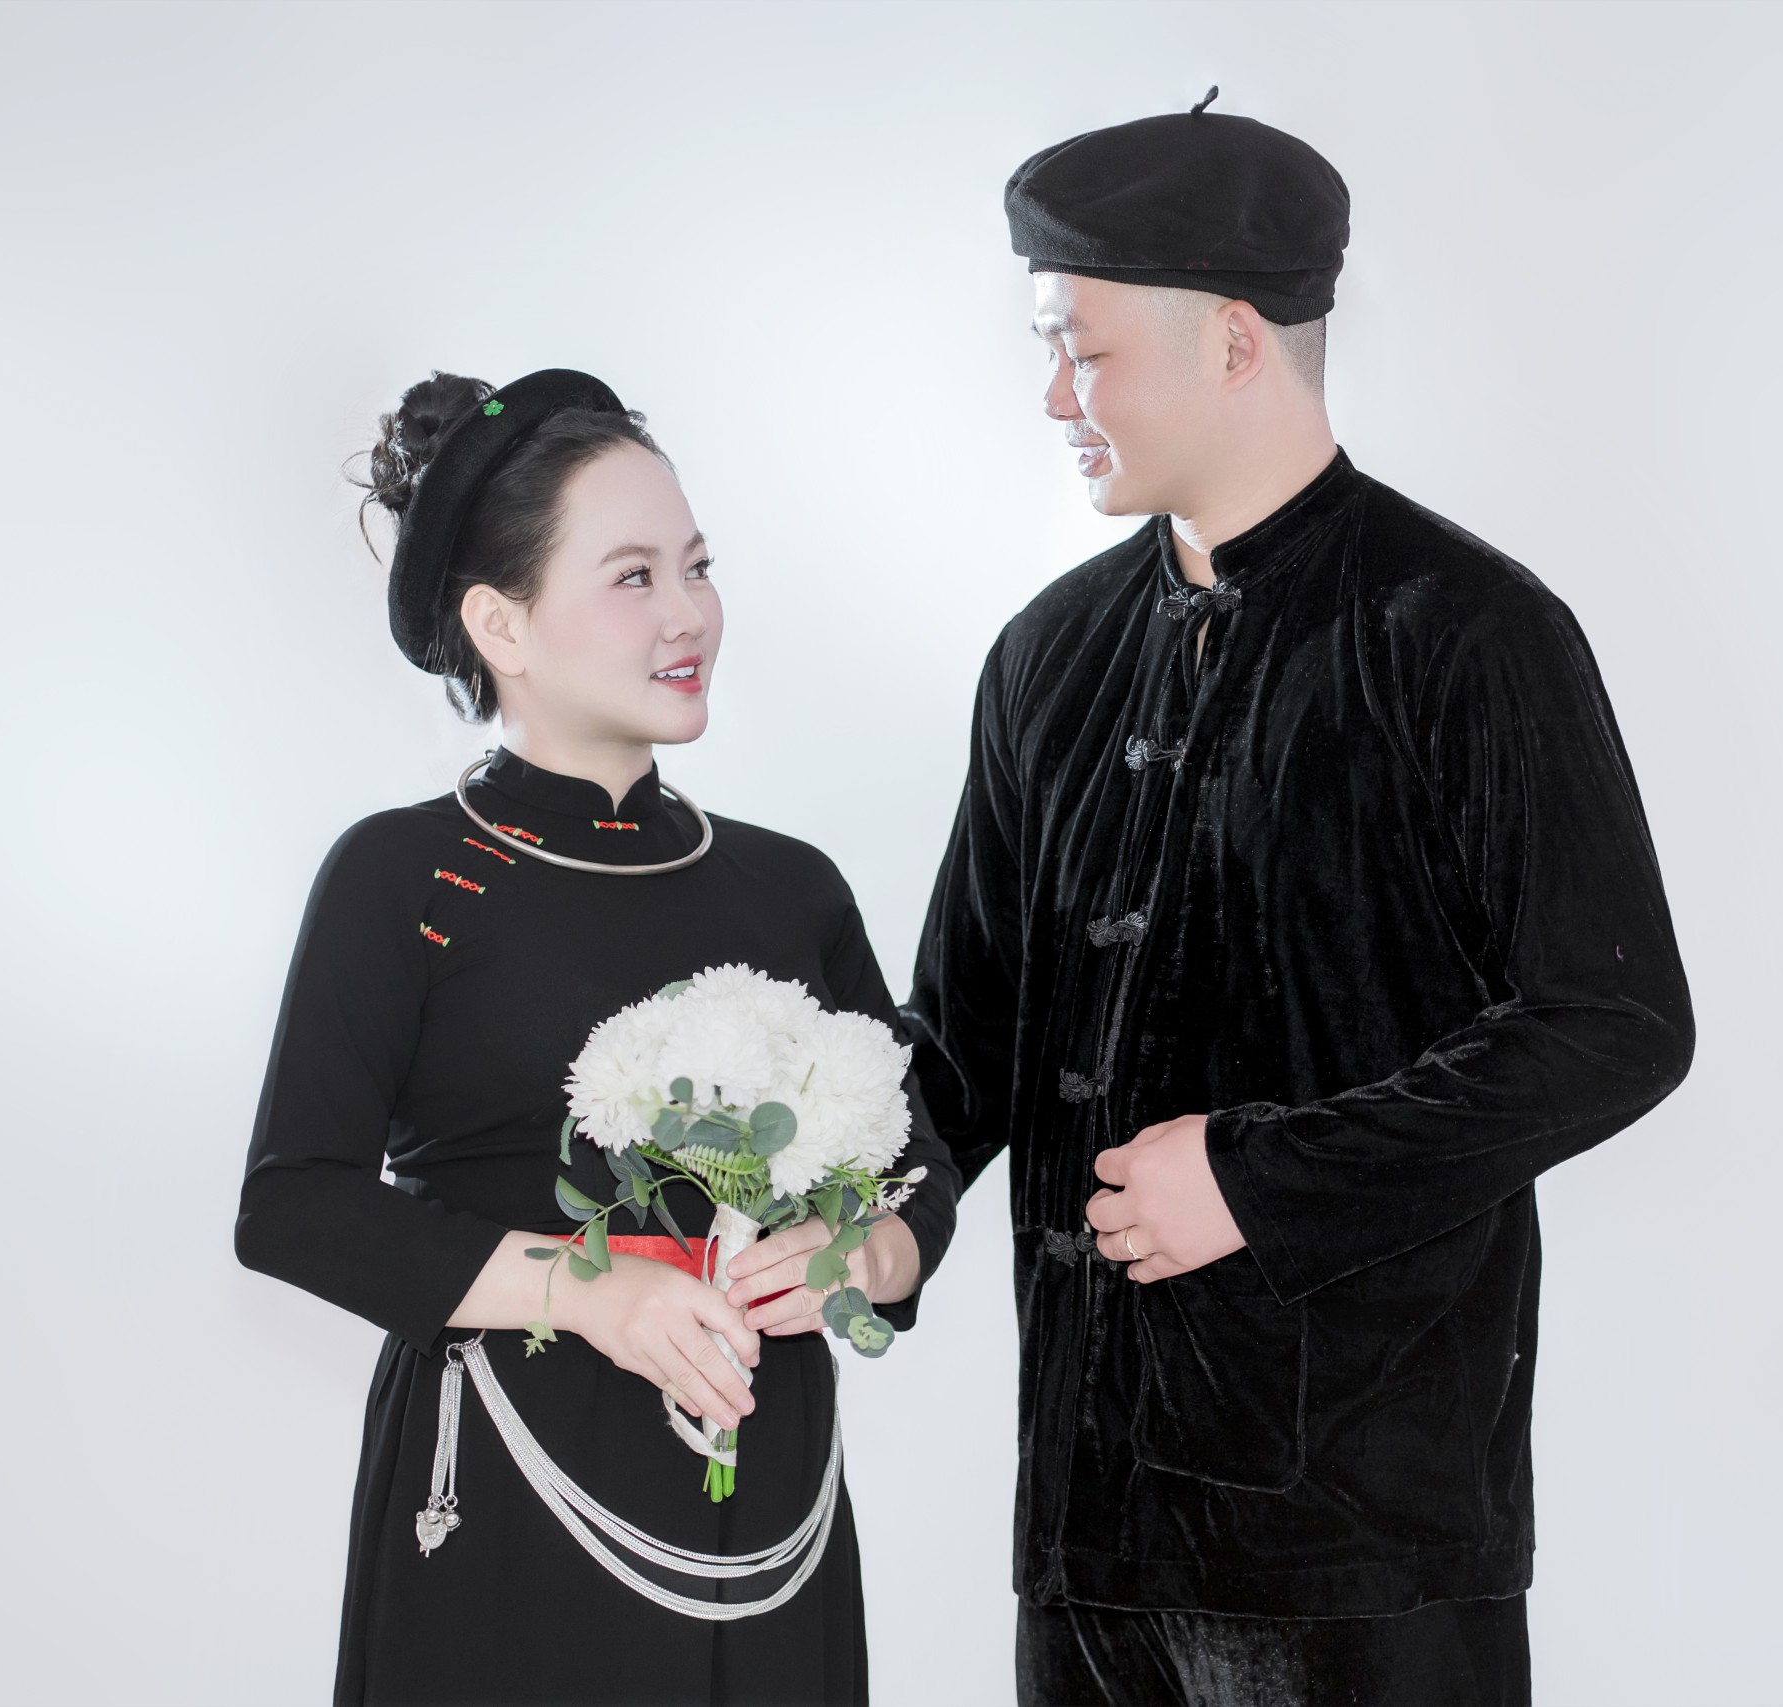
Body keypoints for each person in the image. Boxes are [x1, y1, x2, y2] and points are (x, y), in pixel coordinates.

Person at [901, 95, 1695, 1706]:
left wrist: (1257, 1179)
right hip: (1084, 1539)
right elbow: (968, 1034)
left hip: (1363, 1546)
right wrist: (873, 1216)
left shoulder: (1464, 632)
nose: (1052, 397)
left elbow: (1614, 1022)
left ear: (1233, 340)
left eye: (1083, 351)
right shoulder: (1047, 656)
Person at [236, 368, 959, 1706]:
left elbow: (922, 1170)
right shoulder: (407, 878)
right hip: (510, 1510)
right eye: (633, 577)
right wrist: (592, 1292)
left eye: (698, 566)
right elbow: (293, 1207)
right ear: (500, 624)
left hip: (776, 1511)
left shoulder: (790, 885)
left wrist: (864, 1254)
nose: (689, 613)